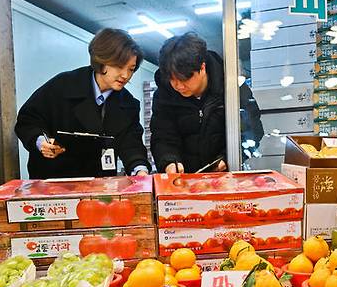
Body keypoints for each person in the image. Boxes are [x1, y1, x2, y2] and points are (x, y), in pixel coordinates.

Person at [15, 28, 151, 179]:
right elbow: (28, 120)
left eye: (131, 69)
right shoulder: (62, 85)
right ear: (101, 60)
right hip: (53, 181)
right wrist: (41, 142)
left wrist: (140, 170)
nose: (125, 75)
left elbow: (131, 145)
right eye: (119, 67)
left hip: (99, 185)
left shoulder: (128, 104)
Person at [150, 32, 263, 174]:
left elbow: (252, 130)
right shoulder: (164, 95)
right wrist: (169, 162)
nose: (178, 86)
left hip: (226, 177)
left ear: (202, 67)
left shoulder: (232, 88)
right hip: (183, 181)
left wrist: (226, 158)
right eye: (172, 79)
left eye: (184, 78)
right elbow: (162, 136)